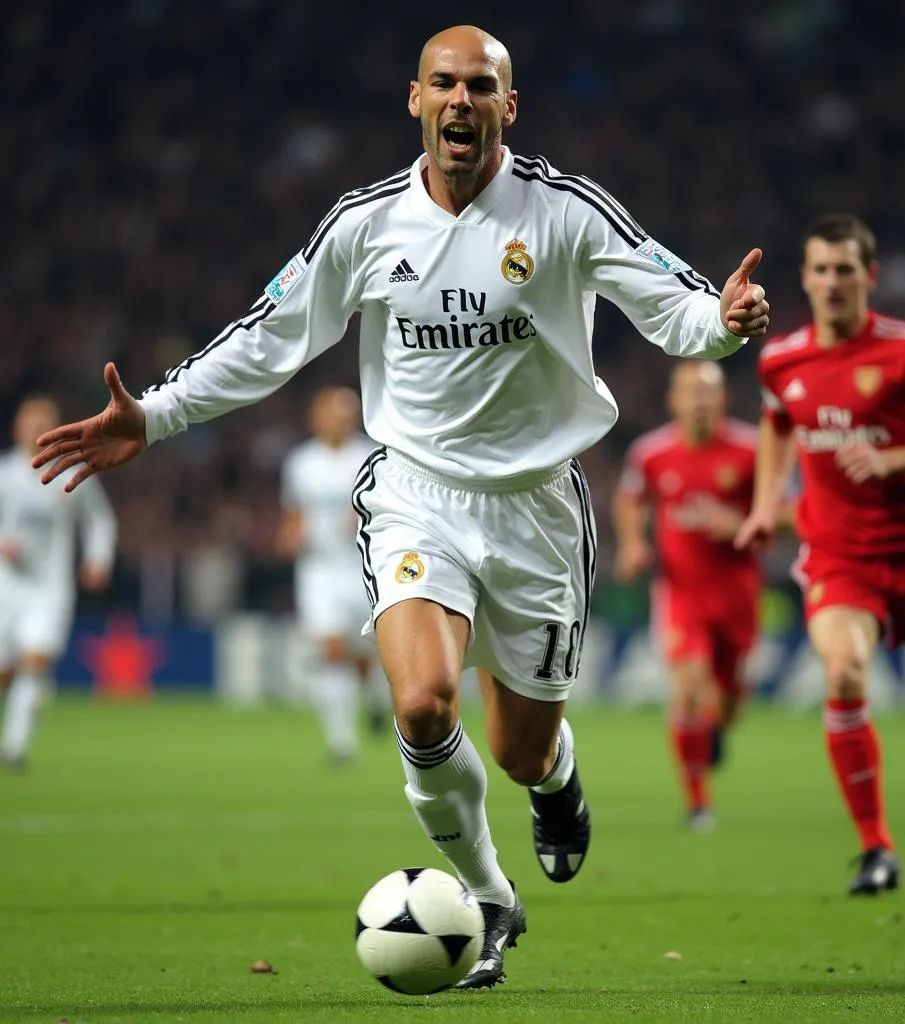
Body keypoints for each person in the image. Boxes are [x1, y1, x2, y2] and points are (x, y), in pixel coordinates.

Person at [33, 25, 769, 987]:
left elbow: (677, 308)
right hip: (416, 492)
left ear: (511, 107)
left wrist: (723, 321)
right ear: (414, 101)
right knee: (423, 705)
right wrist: (158, 416)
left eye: (480, 87)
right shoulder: (364, 224)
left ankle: (554, 778)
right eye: (443, 85)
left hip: (539, 508)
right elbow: (271, 338)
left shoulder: (565, 212)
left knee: (519, 747)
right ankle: (490, 898)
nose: (460, 101)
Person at [736, 213, 905, 896]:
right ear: (804, 277)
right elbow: (777, 424)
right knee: (845, 671)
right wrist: (766, 503)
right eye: (821, 269)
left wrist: (892, 458)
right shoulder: (781, 358)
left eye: (844, 270)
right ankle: (876, 849)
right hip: (837, 555)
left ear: (870, 277)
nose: (832, 282)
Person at [614, 361, 760, 833]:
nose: (698, 402)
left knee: (731, 702)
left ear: (723, 400)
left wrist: (740, 525)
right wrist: (634, 544)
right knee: (690, 688)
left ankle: (717, 723)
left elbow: (785, 509)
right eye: (689, 393)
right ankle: (699, 803)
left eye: (707, 393)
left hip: (737, 593)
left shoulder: (751, 451)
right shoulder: (652, 454)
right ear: (672, 401)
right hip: (682, 593)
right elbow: (629, 500)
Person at [0, 395, 116, 768]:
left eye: (44, 421)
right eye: (31, 420)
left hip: (50, 587)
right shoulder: (4, 474)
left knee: (34, 660)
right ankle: (28, 709)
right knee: (5, 671)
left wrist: (97, 559)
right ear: (17, 427)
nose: (36, 427)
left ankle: (14, 749)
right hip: (6, 585)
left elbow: (100, 519)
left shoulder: (71, 471)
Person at [276, 386, 388, 760]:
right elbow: (293, 515)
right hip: (318, 570)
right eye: (330, 413)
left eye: (345, 413)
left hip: (363, 566)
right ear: (316, 417)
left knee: (362, 653)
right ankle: (342, 742)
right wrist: (290, 535)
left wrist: (365, 515)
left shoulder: (371, 456)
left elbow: (390, 508)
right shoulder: (300, 463)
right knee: (331, 647)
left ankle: (374, 699)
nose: (338, 420)